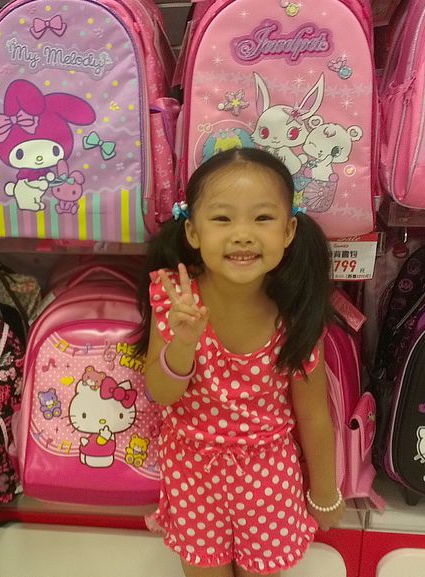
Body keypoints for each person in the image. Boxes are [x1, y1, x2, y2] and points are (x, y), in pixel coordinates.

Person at [137, 148, 343, 577]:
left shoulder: (296, 310)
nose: (243, 235)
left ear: (289, 230)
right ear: (193, 231)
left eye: (262, 218)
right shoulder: (175, 296)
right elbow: (161, 392)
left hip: (268, 475)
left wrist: (325, 492)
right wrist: (184, 343)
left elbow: (314, 414)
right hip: (191, 472)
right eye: (222, 219)